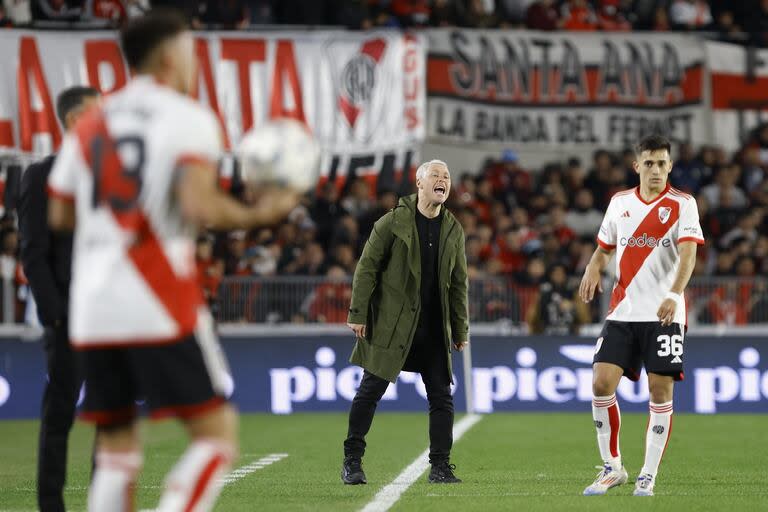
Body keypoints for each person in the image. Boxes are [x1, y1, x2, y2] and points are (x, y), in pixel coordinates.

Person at [46, 10, 300, 511]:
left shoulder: (93, 122)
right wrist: (265, 211)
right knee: (215, 435)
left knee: (117, 449)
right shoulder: (187, 118)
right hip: (155, 293)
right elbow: (198, 206)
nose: (194, 63)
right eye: (190, 52)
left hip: (93, 305)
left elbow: (59, 212)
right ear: (168, 56)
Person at [579, 135, 704, 497]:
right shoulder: (619, 203)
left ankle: (648, 475)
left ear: (670, 166)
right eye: (649, 163)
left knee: (659, 389)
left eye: (662, 163)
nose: (656, 170)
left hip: (664, 313)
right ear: (637, 166)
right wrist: (591, 268)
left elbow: (688, 257)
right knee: (601, 383)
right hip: (624, 311)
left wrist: (673, 294)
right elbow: (604, 248)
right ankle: (612, 467)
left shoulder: (683, 204)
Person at [341, 160, 469, 485]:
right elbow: (366, 268)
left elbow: (459, 283)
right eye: (436, 176)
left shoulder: (454, 230)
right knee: (370, 391)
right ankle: (352, 461)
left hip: (433, 328)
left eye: (446, 176)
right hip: (394, 326)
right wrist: (358, 313)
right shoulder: (391, 222)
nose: (442, 180)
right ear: (419, 183)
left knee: (441, 397)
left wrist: (460, 327)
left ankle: (440, 466)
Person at [19, 85, 100, 512]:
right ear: (74, 121)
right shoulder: (41, 176)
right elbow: (33, 253)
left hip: (110, 319)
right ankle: (51, 505)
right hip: (68, 318)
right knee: (60, 416)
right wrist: (54, 316)